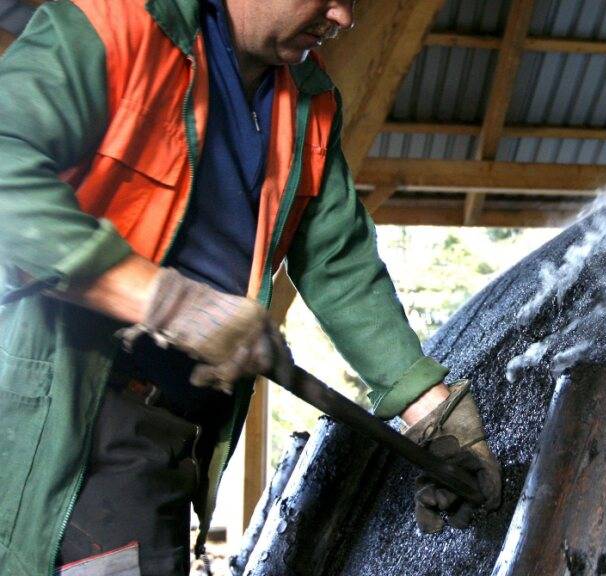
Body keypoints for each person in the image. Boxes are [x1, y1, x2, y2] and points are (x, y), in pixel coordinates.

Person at [0, 1, 501, 574]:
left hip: (176, 434)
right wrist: (161, 299)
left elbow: (337, 261)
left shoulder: (309, 101)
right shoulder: (115, 25)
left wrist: (432, 413)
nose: (343, 16)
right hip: (73, 415)